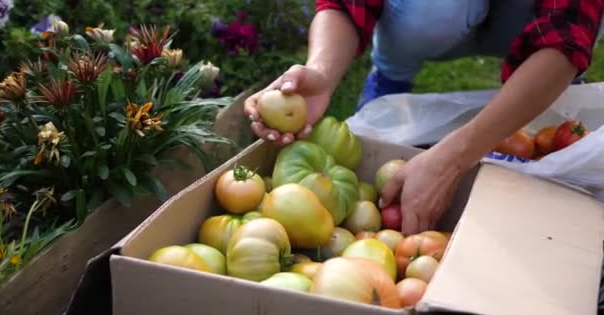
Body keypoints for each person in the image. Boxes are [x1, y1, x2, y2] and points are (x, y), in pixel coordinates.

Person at [244, 0, 604, 236]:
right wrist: (321, 70)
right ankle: (391, 76)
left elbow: (566, 35)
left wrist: (453, 157)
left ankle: (544, 90)